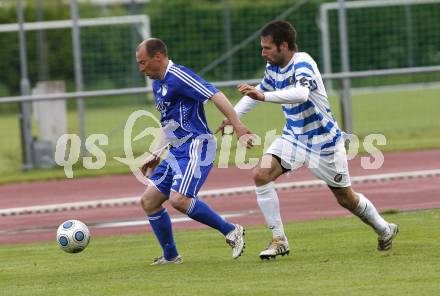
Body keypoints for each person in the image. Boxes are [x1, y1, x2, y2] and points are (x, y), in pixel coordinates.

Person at [217, 20, 398, 260]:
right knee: (261, 174)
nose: (263, 53)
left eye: (267, 48)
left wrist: (263, 95)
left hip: (324, 142)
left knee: (346, 198)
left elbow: (301, 94)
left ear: (284, 45)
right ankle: (279, 239)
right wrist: (233, 118)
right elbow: (257, 92)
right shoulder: (273, 68)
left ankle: (384, 229)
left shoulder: (303, 62)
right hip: (293, 137)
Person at [136, 38, 253, 265]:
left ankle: (231, 230)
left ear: (158, 57)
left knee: (179, 199)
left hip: (196, 146)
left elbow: (215, 94)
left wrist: (237, 124)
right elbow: (168, 122)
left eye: (143, 63)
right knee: (149, 201)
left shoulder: (179, 76)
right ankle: (171, 256)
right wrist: (156, 153)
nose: (141, 69)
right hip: (176, 150)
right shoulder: (158, 83)